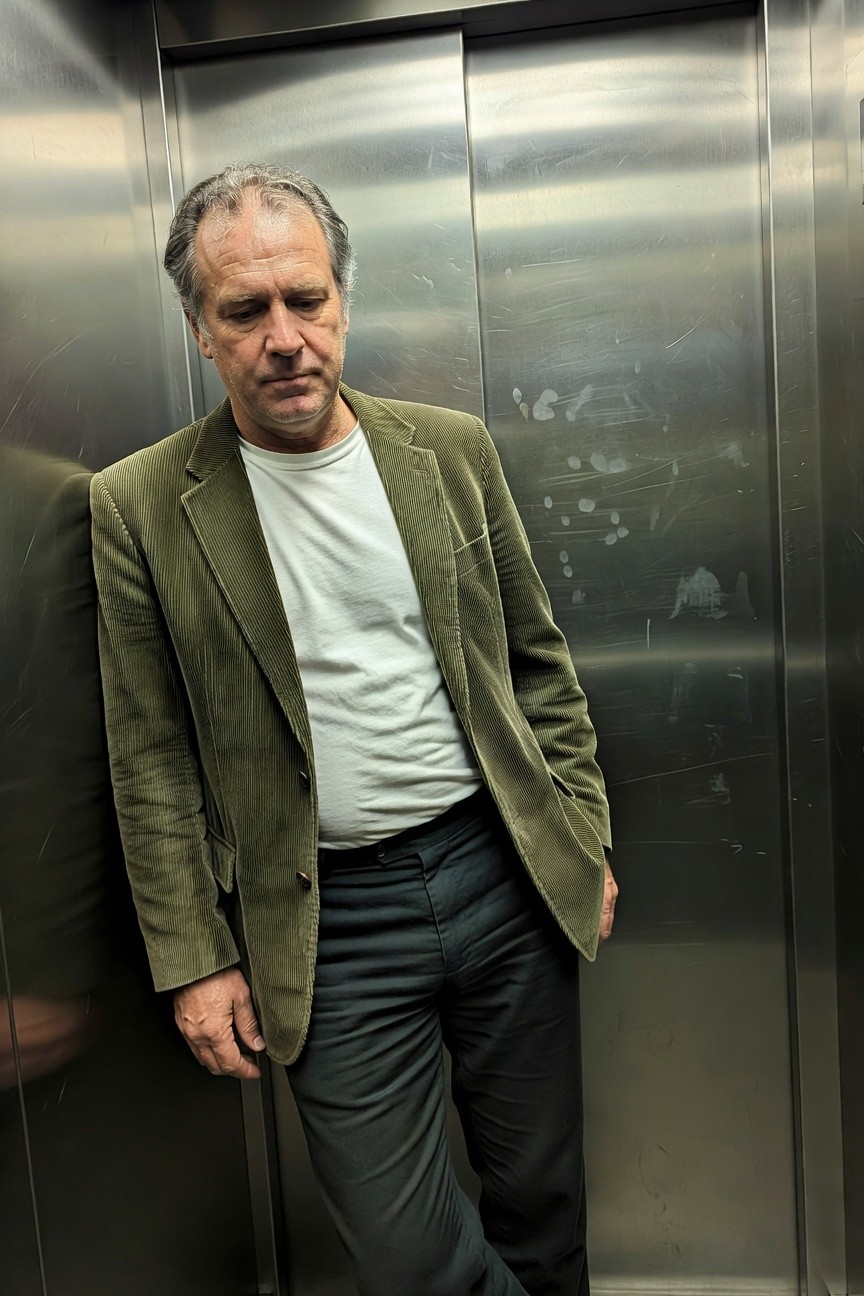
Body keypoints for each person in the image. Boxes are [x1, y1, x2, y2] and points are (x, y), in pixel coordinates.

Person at [90, 163, 617, 1296]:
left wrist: (583, 835)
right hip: (325, 920)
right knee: (408, 1255)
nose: (284, 336)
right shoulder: (138, 504)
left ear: (341, 302)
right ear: (199, 327)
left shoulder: (449, 449)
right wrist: (194, 958)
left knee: (543, 1199)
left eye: (307, 300)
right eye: (246, 310)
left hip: (504, 872)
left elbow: (538, 659)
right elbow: (148, 751)